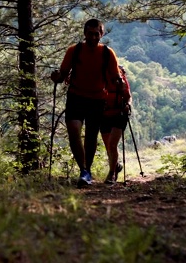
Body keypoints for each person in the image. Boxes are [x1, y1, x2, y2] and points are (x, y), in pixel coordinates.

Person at [50, 18, 121, 187]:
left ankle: (86, 171)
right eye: (90, 34)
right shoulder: (74, 51)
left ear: (101, 34)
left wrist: (120, 84)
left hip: (97, 99)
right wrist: (57, 76)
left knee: (91, 136)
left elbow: (115, 77)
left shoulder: (107, 53)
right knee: (74, 131)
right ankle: (84, 170)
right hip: (76, 97)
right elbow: (62, 74)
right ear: (84, 34)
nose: (93, 38)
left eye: (96, 34)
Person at [101, 65, 132, 184]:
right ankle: (116, 166)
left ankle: (111, 174)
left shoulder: (120, 79)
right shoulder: (99, 78)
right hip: (104, 115)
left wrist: (128, 105)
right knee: (108, 147)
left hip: (119, 114)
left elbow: (128, 97)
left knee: (112, 145)